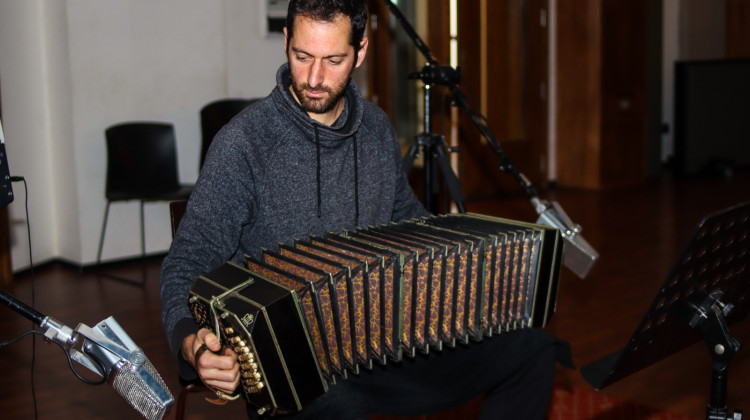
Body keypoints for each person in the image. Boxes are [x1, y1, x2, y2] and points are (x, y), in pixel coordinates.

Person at [160, 0, 572, 418]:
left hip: (386, 346)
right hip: (293, 372)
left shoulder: (376, 129)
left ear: (361, 51)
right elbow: (185, 263)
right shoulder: (243, 144)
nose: (315, 78)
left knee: (533, 349)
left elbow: (408, 223)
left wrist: (474, 266)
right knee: (346, 408)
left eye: (334, 60)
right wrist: (191, 343)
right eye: (302, 57)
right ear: (286, 43)